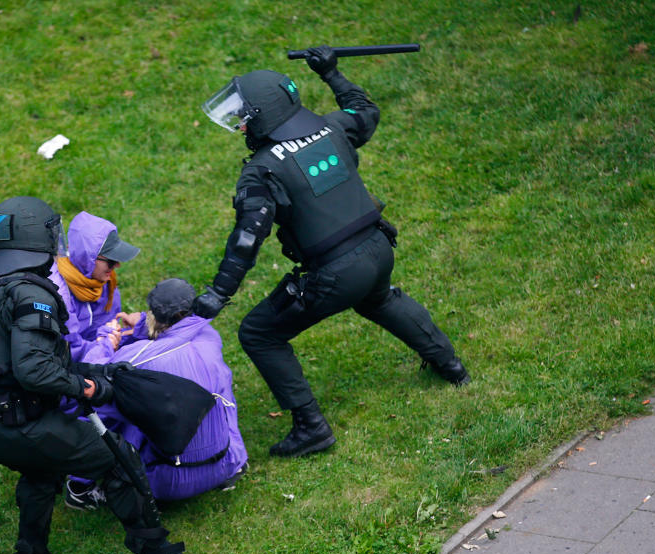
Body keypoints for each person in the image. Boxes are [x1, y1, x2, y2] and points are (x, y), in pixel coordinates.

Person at [193, 45, 470, 459]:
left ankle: (311, 427)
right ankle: (451, 366)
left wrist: (219, 293)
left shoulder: (262, 169)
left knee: (258, 333)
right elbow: (365, 111)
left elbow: (248, 237)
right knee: (377, 298)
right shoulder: (331, 127)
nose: (239, 125)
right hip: (378, 249)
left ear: (261, 119)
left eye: (242, 118)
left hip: (336, 273)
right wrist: (332, 74)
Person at [0, 196, 214, 554]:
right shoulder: (34, 294)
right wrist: (88, 388)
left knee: (41, 474)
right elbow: (34, 369)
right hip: (15, 420)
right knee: (118, 460)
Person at [70, 278, 248, 505]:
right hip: (225, 463)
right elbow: (178, 334)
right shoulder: (210, 337)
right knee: (220, 392)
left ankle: (81, 487)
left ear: (154, 314)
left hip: (166, 484)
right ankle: (237, 463)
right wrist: (144, 323)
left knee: (116, 409)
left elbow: (93, 383)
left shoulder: (136, 359)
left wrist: (105, 342)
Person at [48, 211, 144, 364]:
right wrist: (106, 344)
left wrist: (140, 329)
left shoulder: (105, 284)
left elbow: (106, 335)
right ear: (87, 258)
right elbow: (69, 352)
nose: (117, 265)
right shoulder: (59, 291)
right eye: (111, 261)